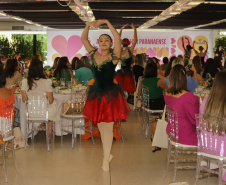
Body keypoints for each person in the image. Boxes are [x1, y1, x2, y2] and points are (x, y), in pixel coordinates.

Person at [81, 19, 130, 172]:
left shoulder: (114, 56)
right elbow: (83, 38)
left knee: (107, 128)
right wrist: (89, 25)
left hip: (110, 96)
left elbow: (117, 38)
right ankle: (107, 154)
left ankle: (105, 159)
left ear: (110, 44)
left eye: (106, 40)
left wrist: (107, 22)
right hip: (96, 95)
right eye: (101, 40)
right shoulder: (93, 54)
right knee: (101, 127)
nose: (103, 42)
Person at [21, 59, 58, 142]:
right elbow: (51, 101)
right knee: (52, 108)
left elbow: (24, 100)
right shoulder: (47, 81)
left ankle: (29, 133)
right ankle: (49, 136)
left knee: (49, 109)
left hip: (31, 112)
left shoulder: (25, 81)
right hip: (44, 112)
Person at [164, 64, 199, 146]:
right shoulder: (188, 97)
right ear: (184, 78)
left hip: (173, 132)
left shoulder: (167, 94)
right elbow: (195, 120)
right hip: (186, 136)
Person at [138, 62, 165, 152]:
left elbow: (140, 93)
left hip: (147, 105)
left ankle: (155, 136)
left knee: (155, 119)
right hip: (157, 105)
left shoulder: (143, 81)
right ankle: (157, 139)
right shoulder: (158, 81)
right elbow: (168, 88)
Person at [114, 23, 137, 94]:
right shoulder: (130, 51)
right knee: (127, 91)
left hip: (120, 72)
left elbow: (117, 39)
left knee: (120, 91)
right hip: (128, 73)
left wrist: (121, 29)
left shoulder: (120, 51)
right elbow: (135, 40)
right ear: (129, 43)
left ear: (121, 43)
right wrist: (134, 29)